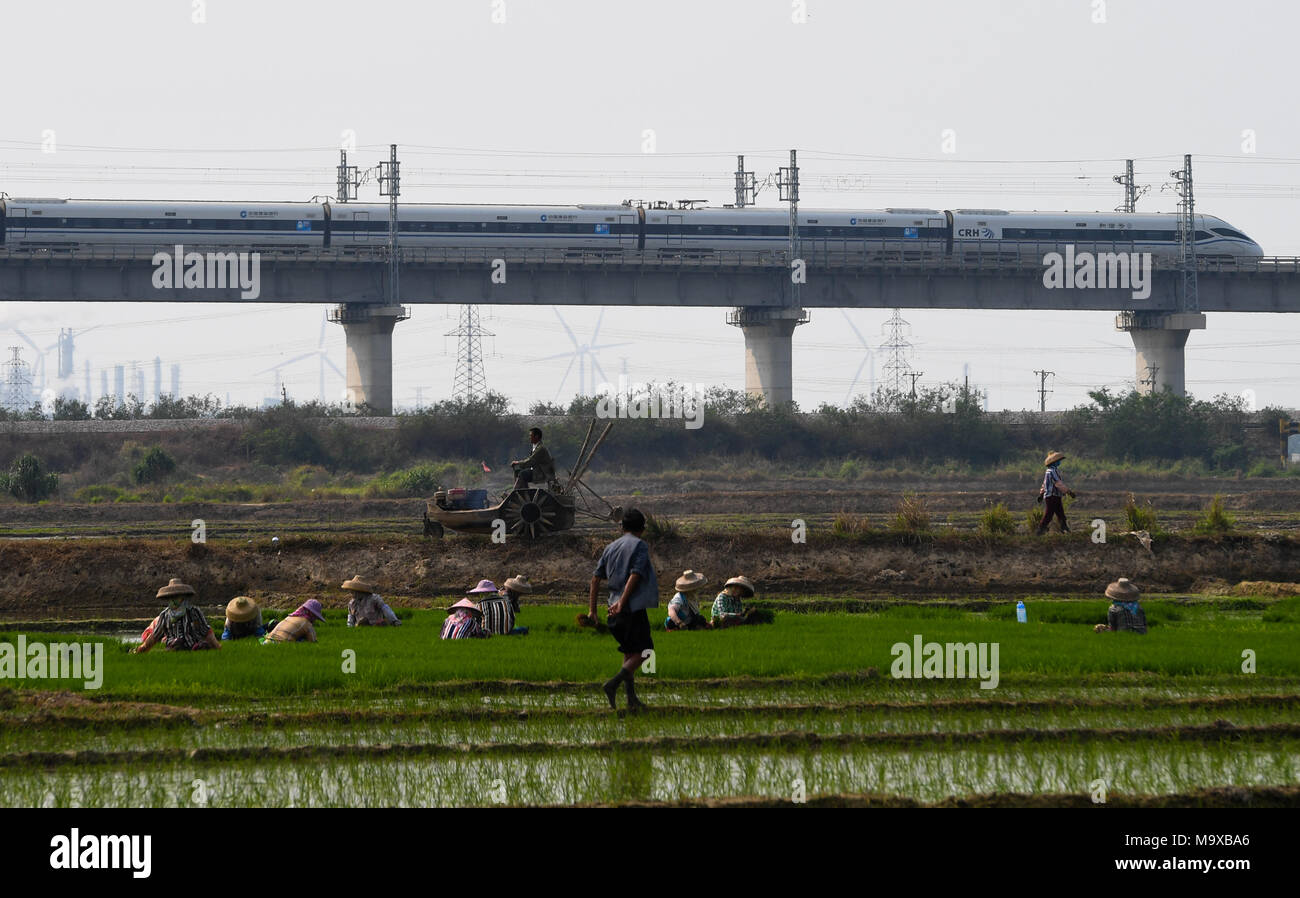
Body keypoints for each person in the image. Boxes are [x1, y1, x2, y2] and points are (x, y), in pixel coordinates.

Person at [588, 508, 659, 711]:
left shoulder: (610, 547)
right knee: (646, 652)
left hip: (613, 611)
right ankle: (613, 684)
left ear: (622, 527)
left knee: (629, 654)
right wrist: (622, 602)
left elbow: (595, 579)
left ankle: (631, 699)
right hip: (631, 608)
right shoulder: (640, 546)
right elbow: (635, 575)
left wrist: (592, 611)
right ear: (642, 529)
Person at [133, 578, 221, 653]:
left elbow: (206, 631)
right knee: (177, 643)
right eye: (171, 597)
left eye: (177, 597)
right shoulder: (165, 615)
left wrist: (217, 646)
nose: (174, 600)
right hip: (174, 646)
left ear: (183, 597)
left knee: (203, 645)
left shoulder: (194, 612)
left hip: (194, 645)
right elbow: (154, 636)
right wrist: (143, 648)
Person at [1036, 451, 1076, 535]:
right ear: (1054, 462)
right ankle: (1040, 529)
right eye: (1058, 461)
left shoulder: (1048, 471)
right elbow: (1058, 484)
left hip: (1055, 495)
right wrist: (1069, 492)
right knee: (1049, 513)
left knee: (1060, 512)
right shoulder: (1052, 471)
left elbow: (1044, 484)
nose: (1059, 462)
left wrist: (1041, 494)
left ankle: (1064, 528)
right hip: (1052, 496)